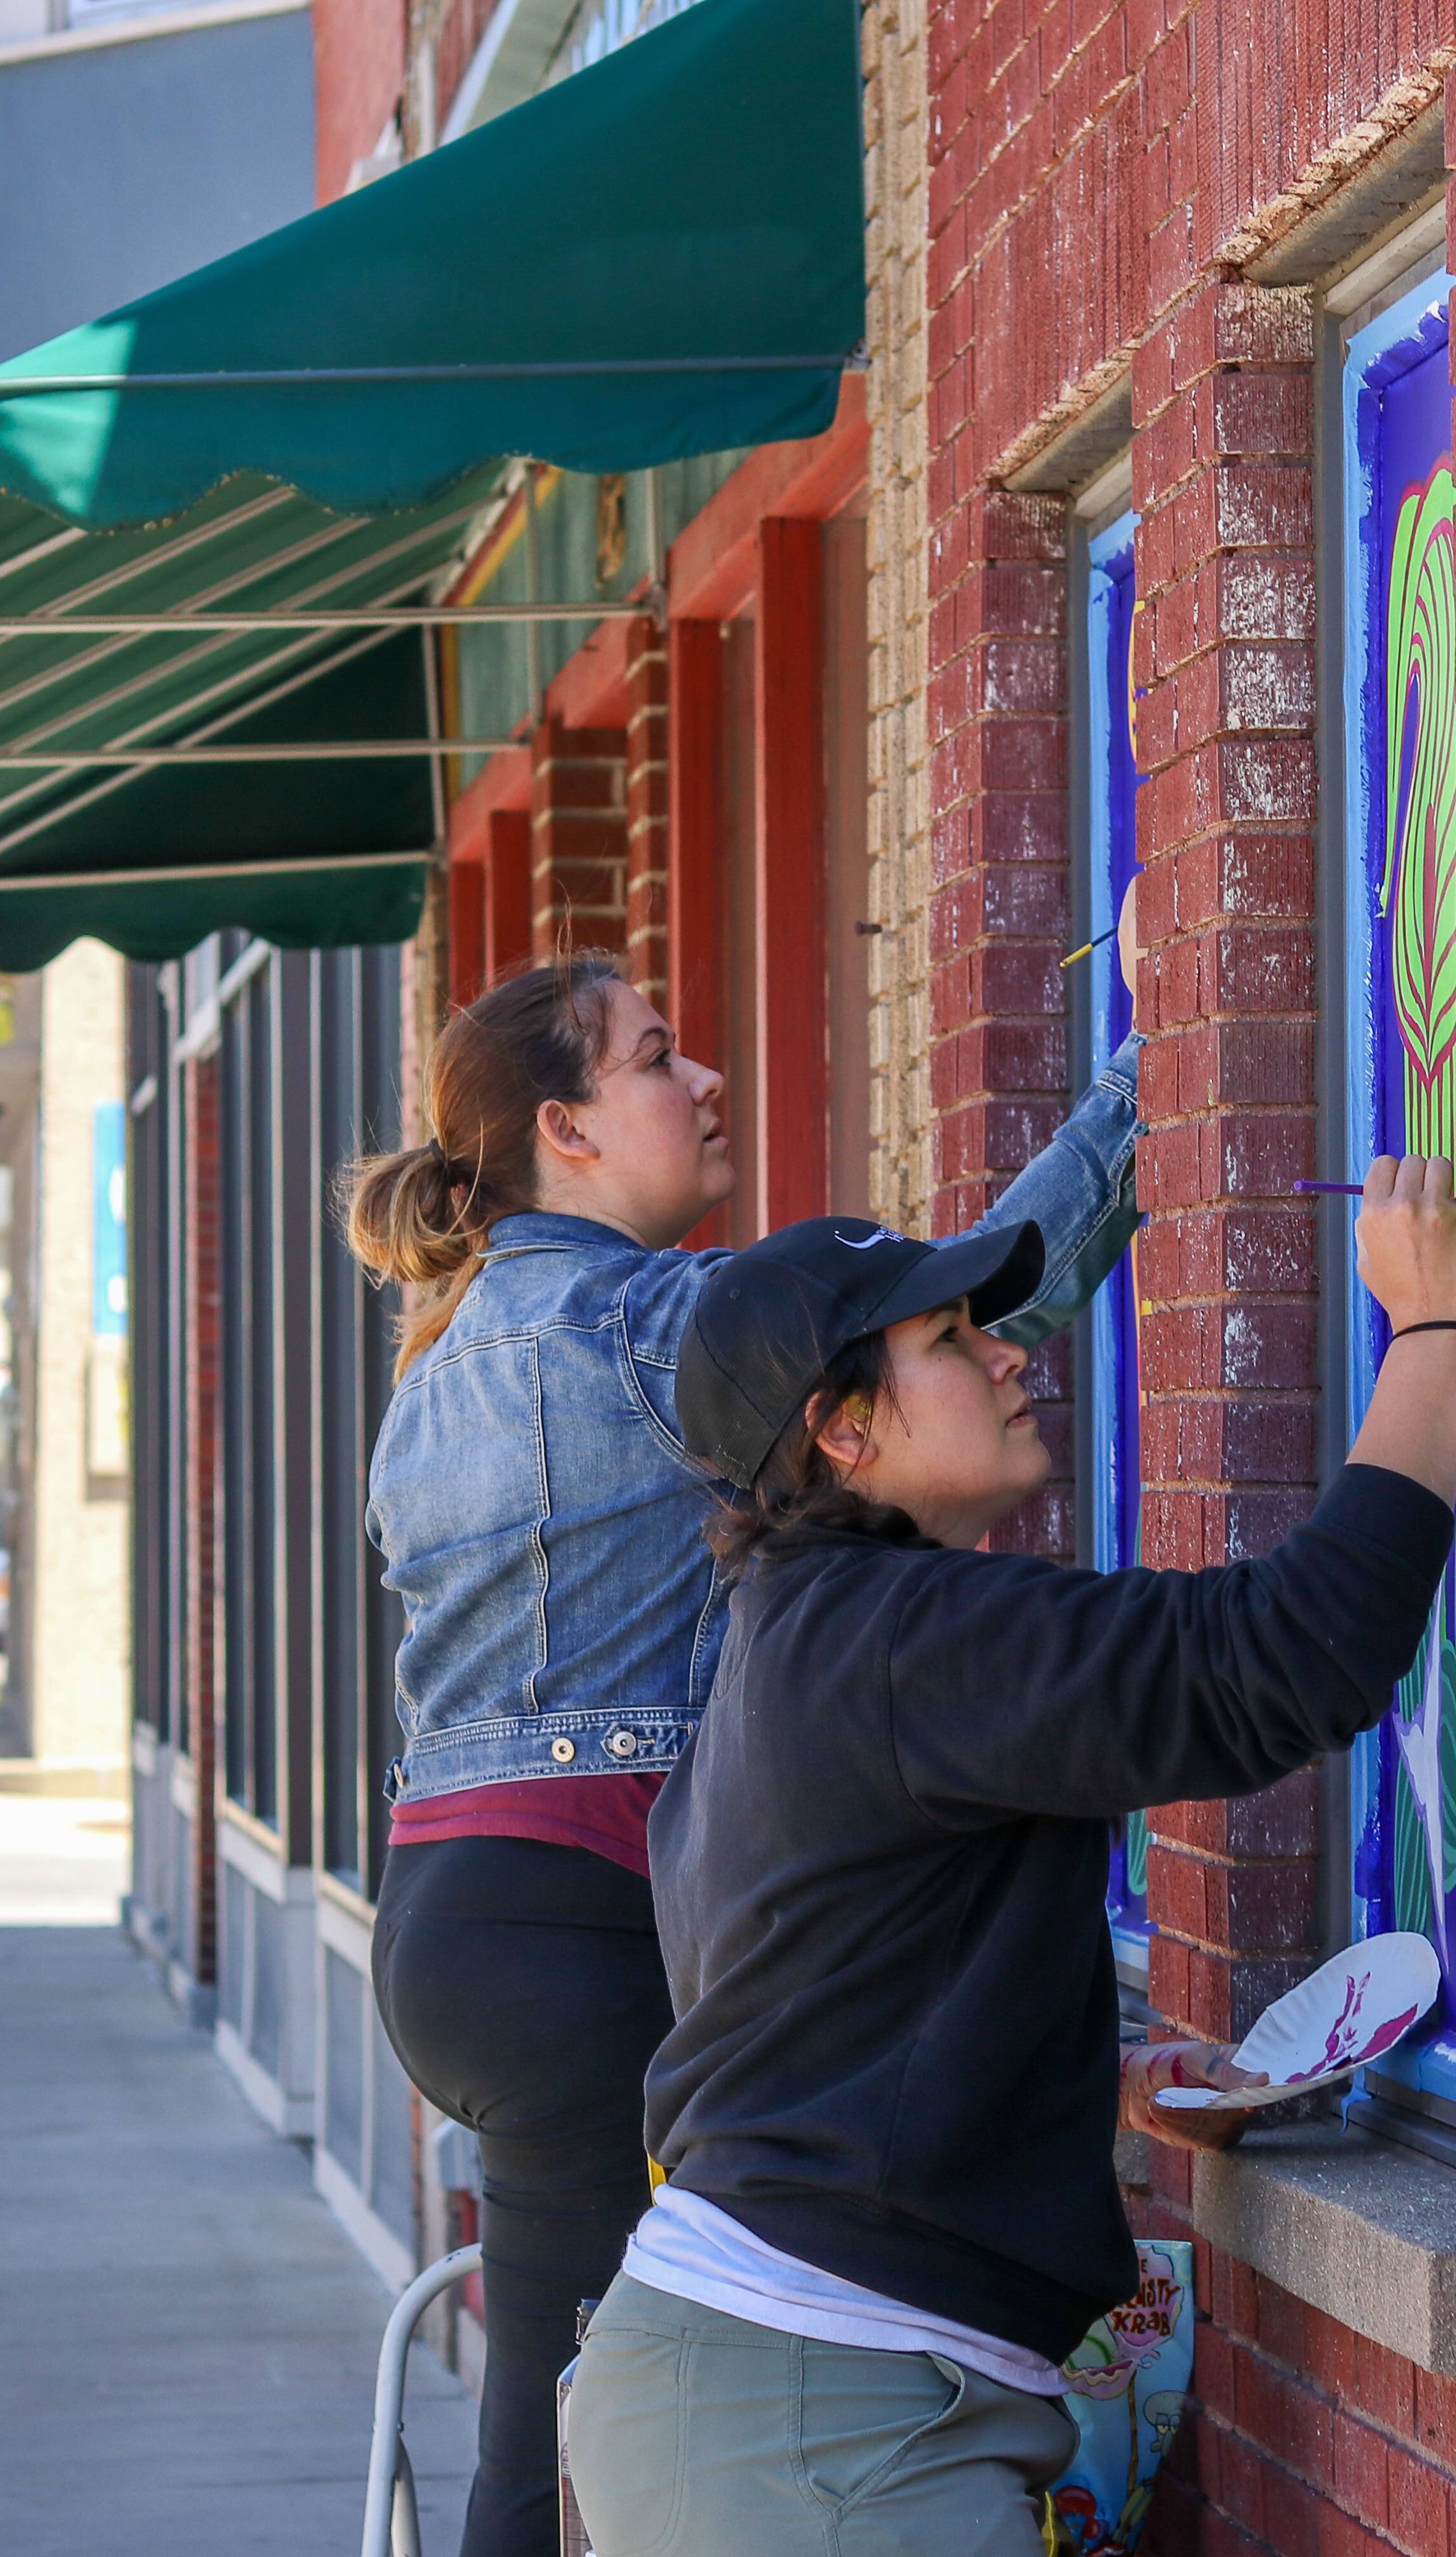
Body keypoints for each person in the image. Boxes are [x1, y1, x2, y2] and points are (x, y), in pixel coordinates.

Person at [347, 952, 1142, 2557]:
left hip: (450, 1914)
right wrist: (1139, 1094)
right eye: (658, 1058)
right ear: (566, 1128)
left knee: (580, 2394)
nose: (704, 1080)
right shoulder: (652, 1321)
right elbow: (976, 1305)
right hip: (580, 1928)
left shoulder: (433, 1368)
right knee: (574, 2417)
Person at [562, 1158, 1456, 2556]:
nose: (1005, 1350)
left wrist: (1075, 2079)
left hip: (778, 2396)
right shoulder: (899, 1635)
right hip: (810, 2423)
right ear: (844, 1429)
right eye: (947, 1338)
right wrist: (1432, 1330)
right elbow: (1293, 1656)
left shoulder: (797, 1638)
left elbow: (814, 2007)